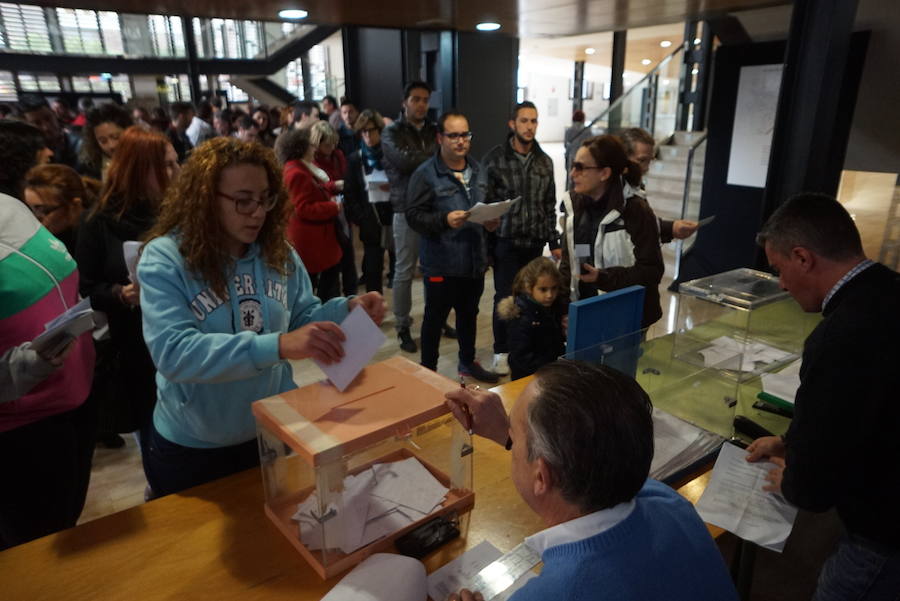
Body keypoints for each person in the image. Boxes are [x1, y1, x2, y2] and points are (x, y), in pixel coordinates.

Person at [137, 137, 385, 496]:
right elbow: (174, 353)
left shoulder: (277, 252)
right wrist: (279, 345)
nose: (257, 212)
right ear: (205, 199)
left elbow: (301, 316)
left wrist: (346, 310)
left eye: (265, 199)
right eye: (242, 201)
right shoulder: (166, 257)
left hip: (271, 426)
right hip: (195, 445)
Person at [443, 360, 738, 601]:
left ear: (542, 477)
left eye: (515, 439)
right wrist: (509, 434)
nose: (511, 441)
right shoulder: (669, 503)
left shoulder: (558, 593)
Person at [747, 193, 900, 600]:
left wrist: (794, 479)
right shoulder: (888, 288)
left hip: (882, 534)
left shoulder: (842, 335)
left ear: (803, 257)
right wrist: (789, 441)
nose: (780, 283)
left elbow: (814, 486)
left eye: (779, 269)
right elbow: (865, 411)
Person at [0, 119, 96, 549]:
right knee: (35, 543)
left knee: (63, 520)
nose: (50, 159)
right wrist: (25, 365)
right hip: (22, 424)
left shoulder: (15, 211)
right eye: (40, 157)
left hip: (71, 395)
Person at [76, 126, 179, 452]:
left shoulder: (179, 213)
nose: (177, 171)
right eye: (167, 165)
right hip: (135, 344)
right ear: (138, 170)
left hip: (182, 333)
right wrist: (120, 294)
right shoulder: (98, 221)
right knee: (152, 426)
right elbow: (85, 287)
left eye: (176, 162)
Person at [406, 110, 500, 384]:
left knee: (469, 315)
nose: (461, 141)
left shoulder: (478, 170)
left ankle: (467, 362)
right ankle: (428, 372)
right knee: (434, 319)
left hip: (474, 261)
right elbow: (413, 216)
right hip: (441, 263)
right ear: (440, 138)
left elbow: (484, 207)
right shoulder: (426, 174)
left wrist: (490, 223)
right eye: (454, 135)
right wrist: (443, 219)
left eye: (465, 135)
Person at [482, 101, 559, 376]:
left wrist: (555, 240)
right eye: (524, 121)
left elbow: (549, 204)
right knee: (505, 298)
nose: (529, 126)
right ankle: (502, 350)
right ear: (512, 124)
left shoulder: (545, 161)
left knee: (535, 298)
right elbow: (485, 203)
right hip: (507, 241)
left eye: (534, 121)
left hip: (535, 240)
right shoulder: (495, 159)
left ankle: (529, 348)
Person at [559, 135, 665, 330]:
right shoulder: (574, 206)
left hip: (626, 320)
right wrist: (563, 308)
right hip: (584, 314)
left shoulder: (636, 210)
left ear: (604, 173)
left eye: (581, 167)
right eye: (573, 165)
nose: (573, 173)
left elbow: (652, 271)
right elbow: (568, 264)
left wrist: (603, 278)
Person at [383, 81, 453, 354]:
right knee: (404, 270)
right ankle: (402, 325)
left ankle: (438, 319)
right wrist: (437, 154)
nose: (421, 104)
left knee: (436, 268)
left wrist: (436, 154)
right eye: (416, 99)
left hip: (435, 208)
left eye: (425, 99)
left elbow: (442, 158)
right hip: (406, 209)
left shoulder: (435, 130)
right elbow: (404, 161)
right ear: (405, 102)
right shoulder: (392, 132)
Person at [277, 128, 343, 301]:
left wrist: (331, 186)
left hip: (312, 239)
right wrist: (333, 207)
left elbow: (311, 191)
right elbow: (303, 208)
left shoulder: (297, 168)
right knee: (320, 288)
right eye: (311, 146)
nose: (314, 149)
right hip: (310, 240)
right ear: (301, 148)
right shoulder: (296, 172)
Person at [343, 109, 395, 294]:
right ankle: (374, 312)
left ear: (379, 130)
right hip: (370, 220)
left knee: (398, 268)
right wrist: (361, 218)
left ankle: (399, 314)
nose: (368, 135)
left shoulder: (391, 155)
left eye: (371, 130)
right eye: (363, 131)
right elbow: (350, 192)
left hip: (392, 215)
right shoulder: (355, 159)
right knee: (373, 269)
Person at [619, 127, 699, 243]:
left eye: (650, 161)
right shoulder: (611, 190)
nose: (646, 168)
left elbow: (642, 223)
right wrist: (583, 258)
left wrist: (672, 228)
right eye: (642, 160)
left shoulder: (634, 185)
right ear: (623, 157)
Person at [497, 257, 566, 380]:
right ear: (529, 288)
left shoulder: (557, 307)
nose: (550, 295)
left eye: (554, 288)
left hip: (552, 371)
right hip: (528, 377)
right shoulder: (520, 316)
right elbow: (521, 356)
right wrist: (550, 370)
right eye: (543, 289)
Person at [311, 120, 356, 296]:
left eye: (333, 142)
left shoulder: (338, 155)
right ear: (316, 142)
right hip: (327, 214)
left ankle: (351, 295)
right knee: (333, 261)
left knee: (348, 254)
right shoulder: (312, 161)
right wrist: (333, 185)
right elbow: (317, 187)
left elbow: (347, 175)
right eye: (326, 144)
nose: (330, 147)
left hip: (342, 208)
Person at [24, 163, 100, 254]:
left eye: (42, 210)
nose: (33, 218)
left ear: (75, 206)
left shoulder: (98, 240)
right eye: (28, 208)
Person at [18, 94, 81, 170]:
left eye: (48, 118)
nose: (46, 127)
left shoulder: (79, 145)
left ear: (54, 114)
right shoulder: (27, 154)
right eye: (37, 123)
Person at [78, 102, 133, 180]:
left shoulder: (145, 158)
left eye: (116, 137)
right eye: (103, 141)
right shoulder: (89, 168)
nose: (111, 145)